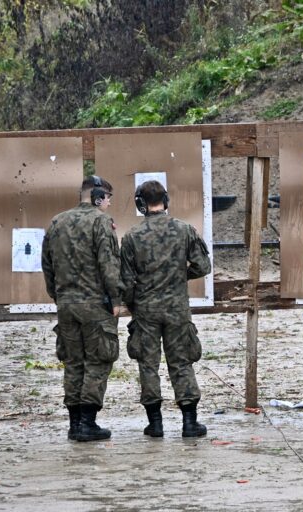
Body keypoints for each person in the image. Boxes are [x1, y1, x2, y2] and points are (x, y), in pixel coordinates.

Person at [121, 180, 212, 438]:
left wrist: (134, 303)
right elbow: (203, 266)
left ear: (140, 204)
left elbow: (125, 281)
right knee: (181, 362)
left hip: (146, 310)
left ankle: (155, 423)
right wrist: (179, 276)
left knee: (148, 365)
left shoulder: (131, 237)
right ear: (166, 200)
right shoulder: (184, 230)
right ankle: (190, 422)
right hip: (177, 308)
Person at [42, 175, 122, 442]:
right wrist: (116, 299)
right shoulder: (101, 221)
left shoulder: (57, 221)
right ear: (98, 197)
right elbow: (109, 264)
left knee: (73, 363)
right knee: (98, 361)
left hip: (66, 304)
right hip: (95, 304)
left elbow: (47, 264)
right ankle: (88, 422)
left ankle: (75, 424)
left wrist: (58, 296)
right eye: (108, 197)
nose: (109, 203)